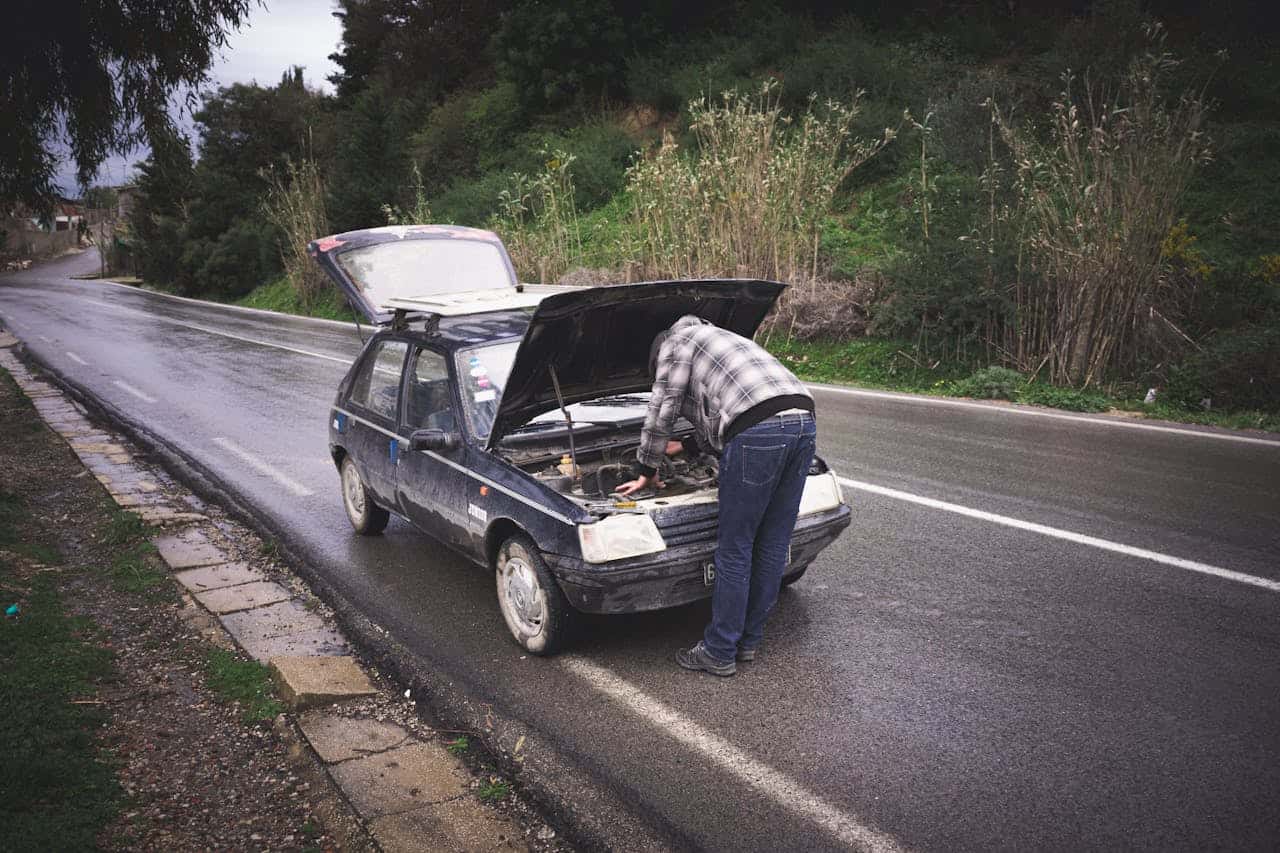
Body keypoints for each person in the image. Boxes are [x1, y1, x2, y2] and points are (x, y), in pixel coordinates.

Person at [616, 315, 816, 676]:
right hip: (803, 418)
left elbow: (664, 407)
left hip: (759, 430)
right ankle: (748, 641)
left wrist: (646, 467)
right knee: (772, 541)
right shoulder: (722, 337)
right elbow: (724, 410)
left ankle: (719, 650)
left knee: (734, 547)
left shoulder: (676, 342)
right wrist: (687, 445)